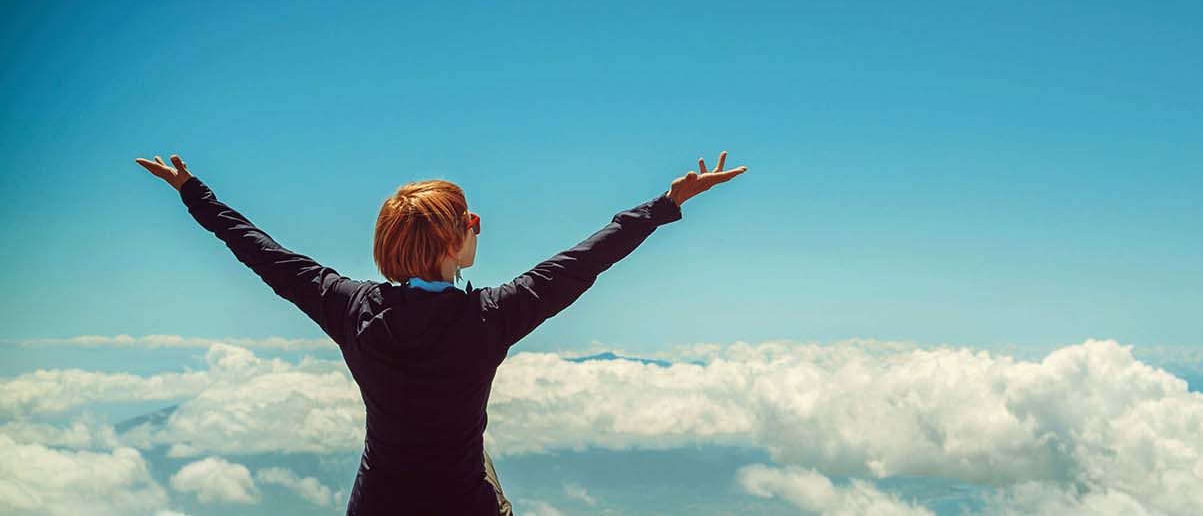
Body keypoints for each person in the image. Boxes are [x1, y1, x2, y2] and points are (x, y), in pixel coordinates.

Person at [134, 152, 748, 515]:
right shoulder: (493, 316)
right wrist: (666, 203)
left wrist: (195, 194)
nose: (481, 227)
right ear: (452, 242)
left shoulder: (348, 308)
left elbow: (262, 252)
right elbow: (588, 257)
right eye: (472, 220)